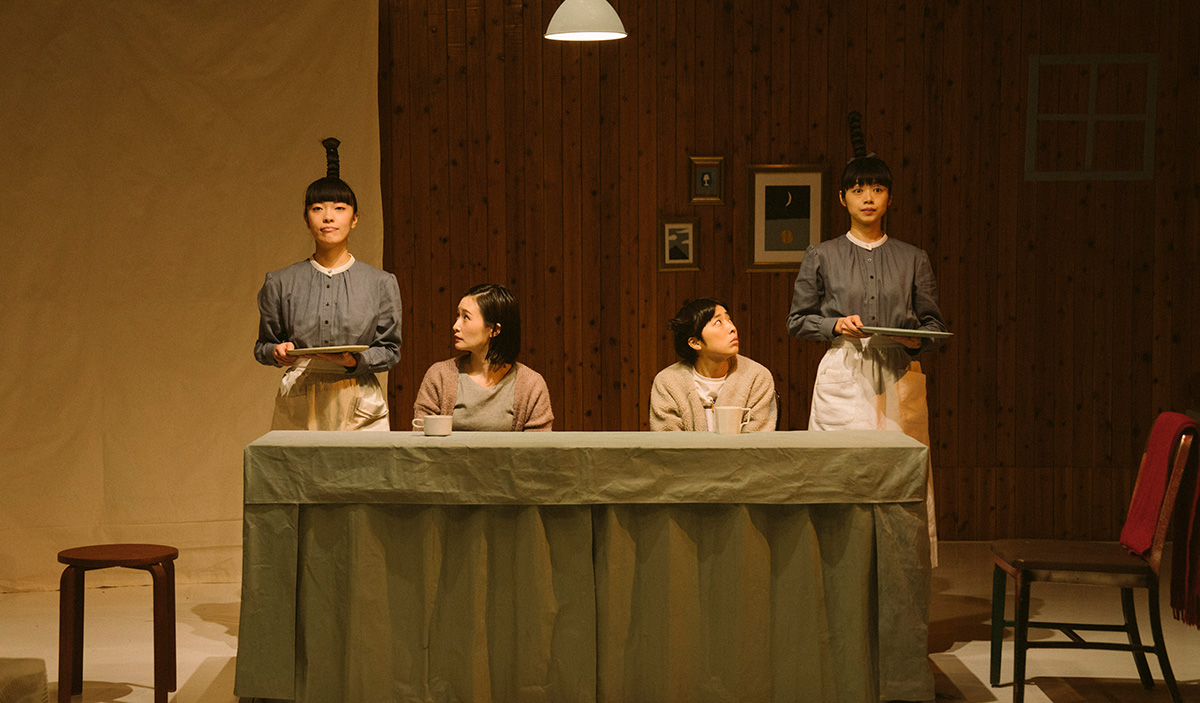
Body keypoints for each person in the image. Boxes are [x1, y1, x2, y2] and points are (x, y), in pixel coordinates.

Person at [786, 112, 946, 560]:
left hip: (897, 370)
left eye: (877, 189)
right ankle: (834, 566)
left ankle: (902, 569)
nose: (868, 198)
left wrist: (917, 340)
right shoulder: (822, 255)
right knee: (839, 470)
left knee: (901, 476)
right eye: (858, 190)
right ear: (842, 198)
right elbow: (797, 320)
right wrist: (834, 325)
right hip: (844, 369)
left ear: (890, 196)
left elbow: (934, 326)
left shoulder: (913, 258)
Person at [254, 138, 402, 431]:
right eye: (318, 208)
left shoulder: (380, 283)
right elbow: (263, 345)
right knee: (297, 463)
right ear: (306, 218)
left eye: (339, 208)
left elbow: (390, 350)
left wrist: (353, 361)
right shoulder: (281, 281)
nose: (328, 217)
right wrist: (276, 352)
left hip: (359, 398)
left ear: (354, 218)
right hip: (300, 395)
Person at [414, 283, 553, 431]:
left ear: (494, 329)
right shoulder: (440, 376)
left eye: (466, 317)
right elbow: (421, 437)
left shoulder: (531, 384)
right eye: (458, 315)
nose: (455, 326)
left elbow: (538, 443)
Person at [650, 298, 776, 431]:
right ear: (695, 342)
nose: (732, 328)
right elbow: (667, 439)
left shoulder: (756, 376)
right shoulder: (668, 382)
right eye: (718, 322)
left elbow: (759, 439)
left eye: (729, 320)